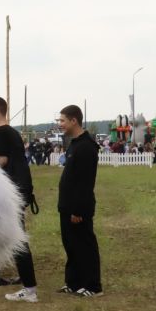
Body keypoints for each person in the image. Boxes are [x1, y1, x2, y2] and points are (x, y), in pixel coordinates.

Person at [0, 98, 39, 303]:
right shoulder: (10, 132)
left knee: (15, 238)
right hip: (18, 188)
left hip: (13, 190)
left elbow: (1, 161)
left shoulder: (1, 133)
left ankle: (30, 289)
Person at [57, 105, 102, 297]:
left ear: (74, 120)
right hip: (67, 206)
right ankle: (73, 282)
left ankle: (92, 285)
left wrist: (78, 211)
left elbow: (85, 183)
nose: (60, 124)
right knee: (71, 245)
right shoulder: (74, 143)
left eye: (62, 121)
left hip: (78, 208)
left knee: (85, 246)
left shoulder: (86, 147)